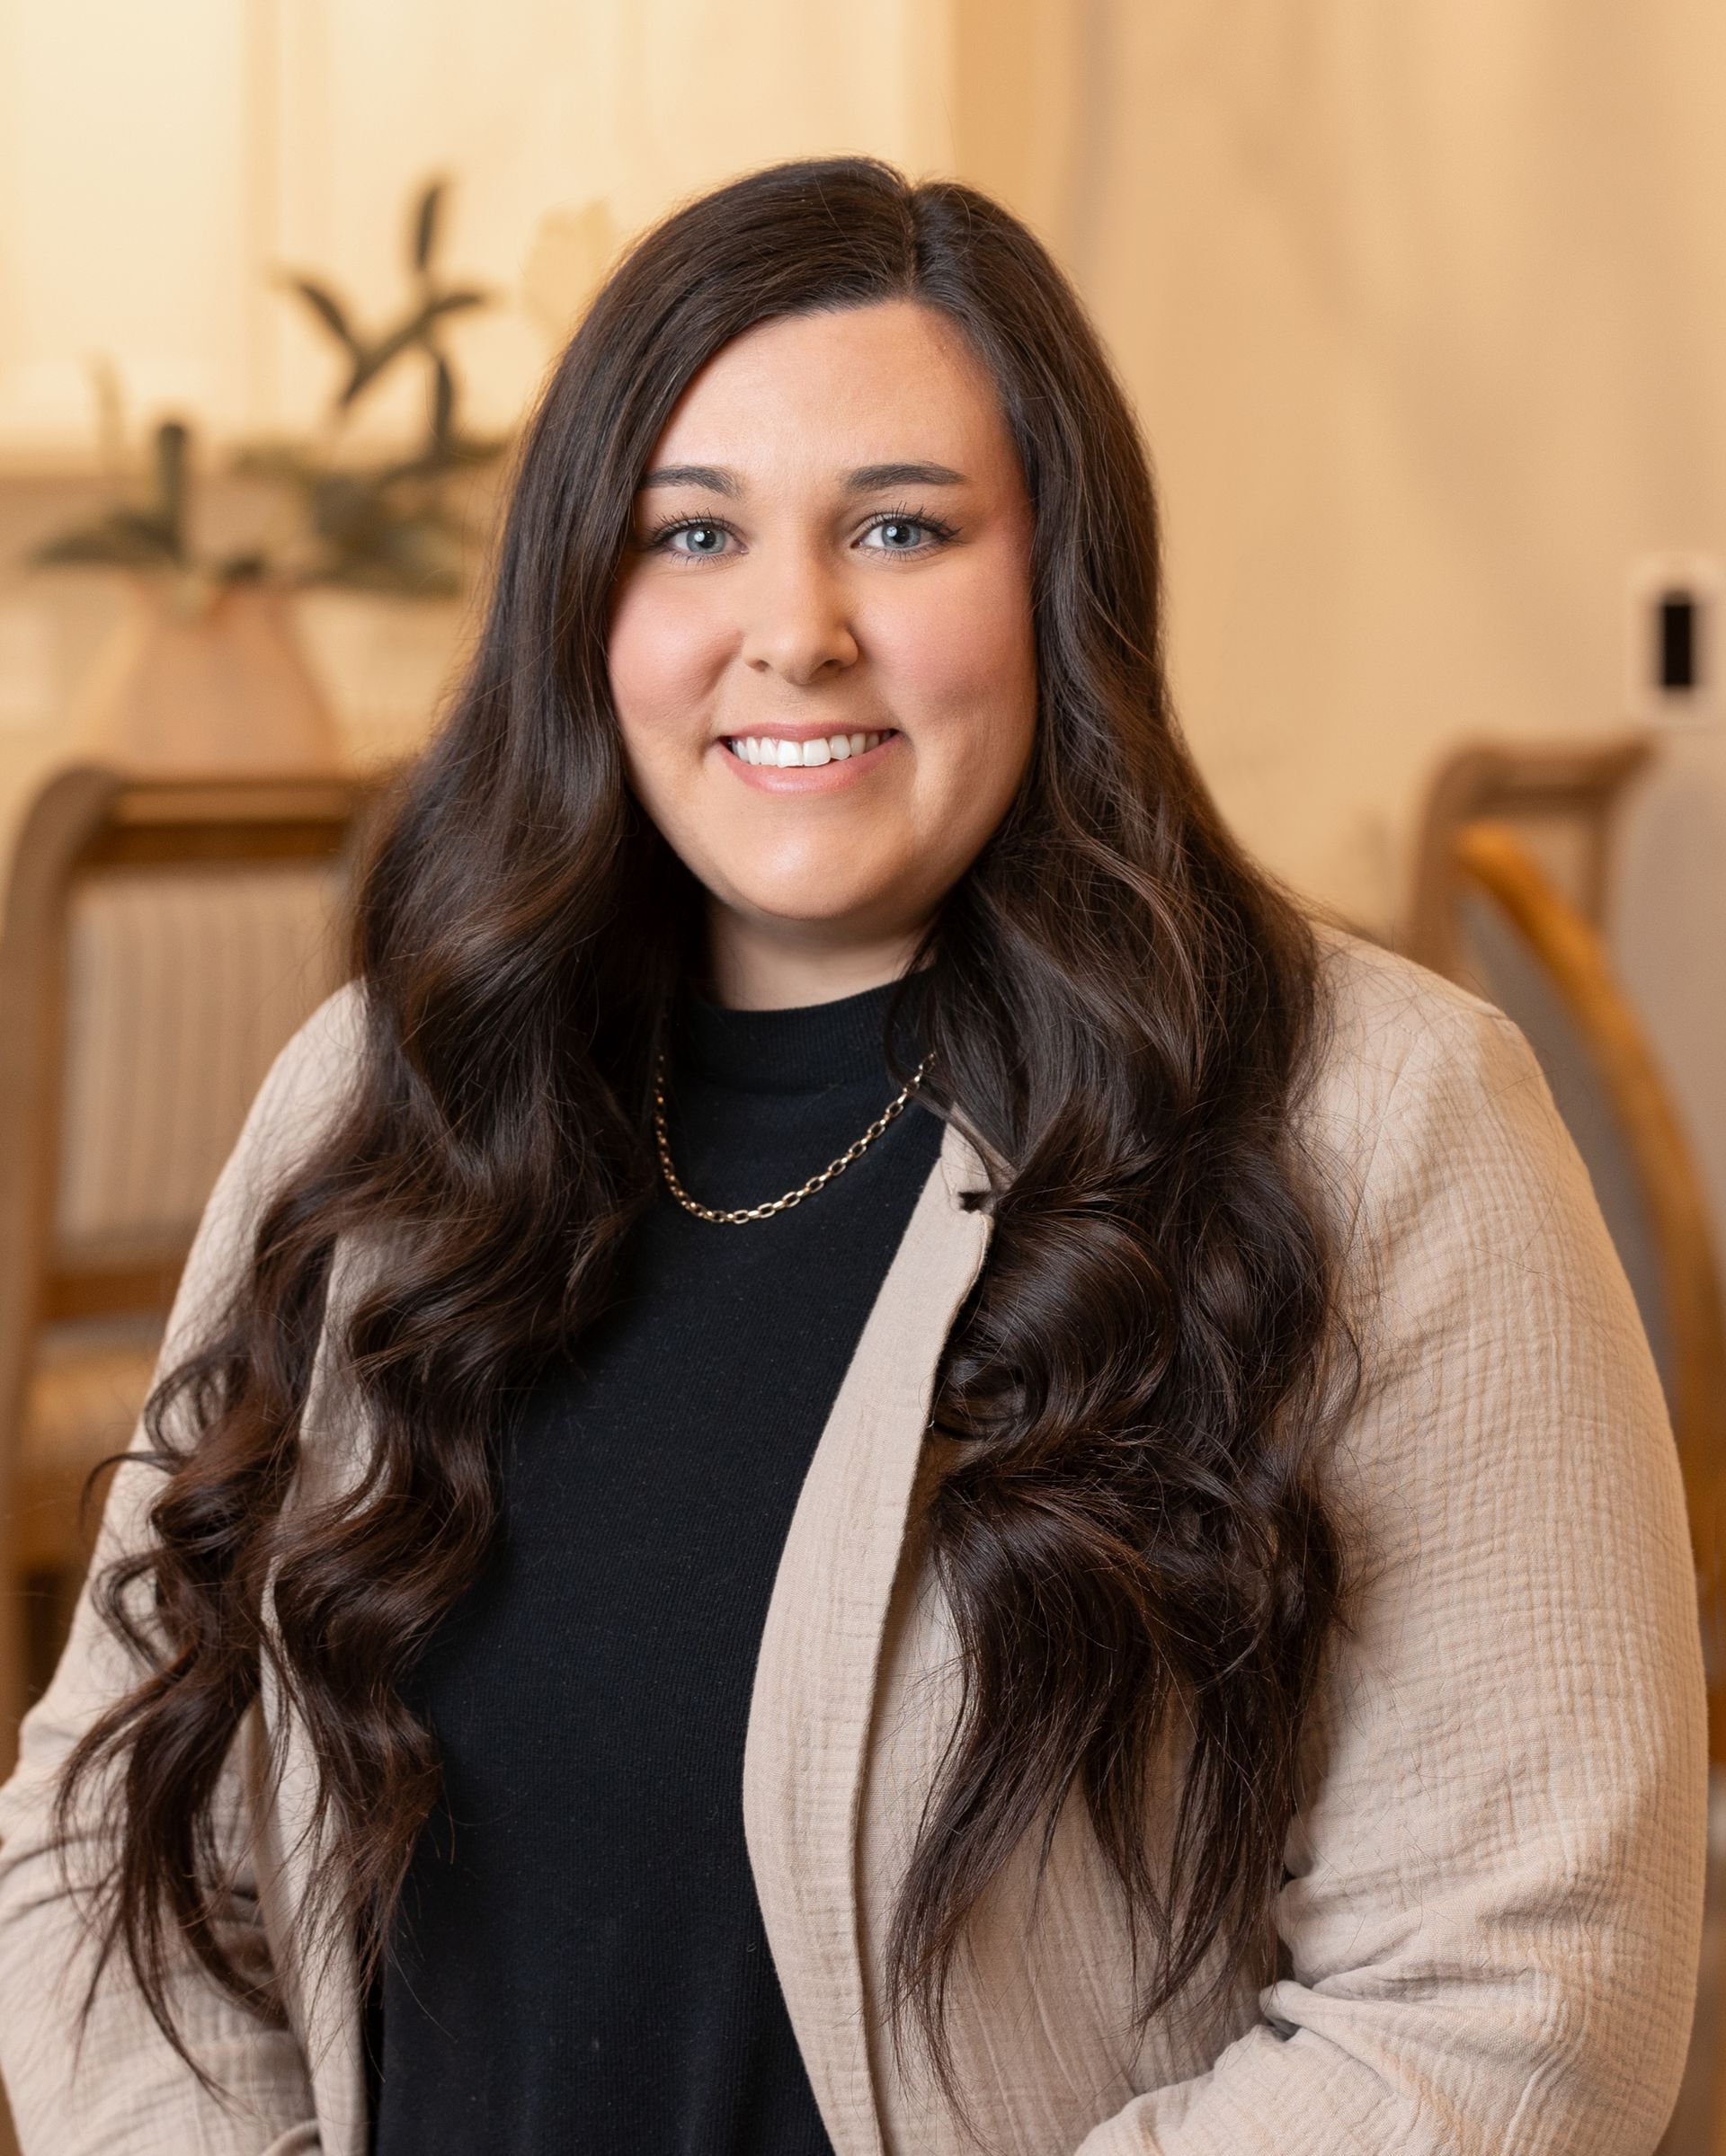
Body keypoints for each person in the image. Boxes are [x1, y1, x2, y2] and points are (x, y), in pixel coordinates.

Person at [0, 155, 1706, 2156]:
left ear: (1060, 582)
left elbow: (1518, 2004)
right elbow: (107, 1830)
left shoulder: (1380, 1131)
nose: (793, 631)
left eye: (901, 528)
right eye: (692, 534)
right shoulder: (389, 1095)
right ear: (584, 605)